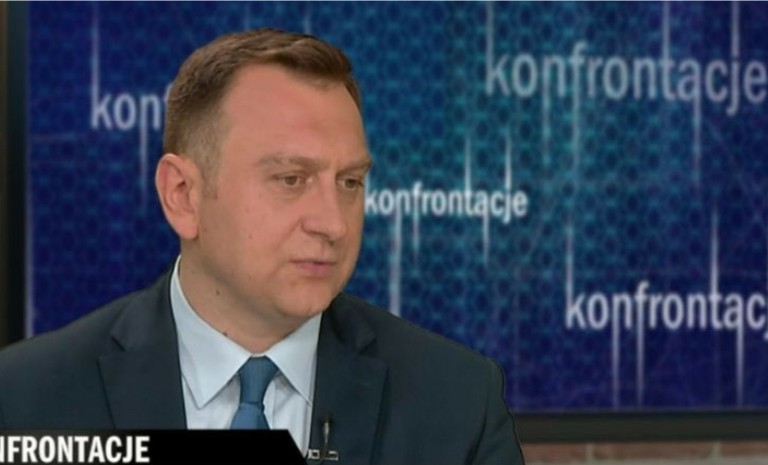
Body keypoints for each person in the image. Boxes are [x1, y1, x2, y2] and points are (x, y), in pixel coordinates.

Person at [0, 28, 525, 464]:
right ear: (183, 195)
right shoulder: (26, 399)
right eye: (291, 179)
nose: (333, 224)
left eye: (349, 182)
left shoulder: (456, 405)